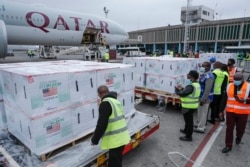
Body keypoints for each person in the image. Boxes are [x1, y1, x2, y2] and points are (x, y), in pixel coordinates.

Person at [91, 85, 131, 167]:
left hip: (115, 140)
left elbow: (101, 125)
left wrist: (94, 140)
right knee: (117, 161)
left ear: (99, 95)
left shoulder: (105, 103)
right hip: (122, 136)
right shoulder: (116, 101)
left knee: (114, 164)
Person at [221, 72, 250, 153]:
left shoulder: (248, 86)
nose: (236, 81)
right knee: (229, 129)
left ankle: (239, 136)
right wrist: (221, 111)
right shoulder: (229, 85)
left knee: (240, 129)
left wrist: (244, 101)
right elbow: (224, 99)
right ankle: (228, 145)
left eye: (238, 79)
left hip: (243, 113)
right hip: (230, 112)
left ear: (242, 79)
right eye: (235, 79)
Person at [175, 70, 201, 141]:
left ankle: (188, 136)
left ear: (191, 76)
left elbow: (183, 94)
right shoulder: (196, 84)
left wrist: (177, 90)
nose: (187, 75)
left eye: (188, 74)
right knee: (187, 120)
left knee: (189, 121)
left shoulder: (191, 86)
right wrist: (183, 89)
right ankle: (186, 130)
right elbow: (189, 92)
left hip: (188, 106)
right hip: (193, 105)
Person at [194, 62, 214, 133]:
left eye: (203, 66)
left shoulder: (209, 76)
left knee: (203, 113)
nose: (202, 67)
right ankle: (199, 124)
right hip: (201, 96)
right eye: (202, 66)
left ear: (208, 67)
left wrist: (203, 99)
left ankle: (201, 128)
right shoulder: (204, 75)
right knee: (200, 112)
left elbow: (207, 89)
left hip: (205, 98)